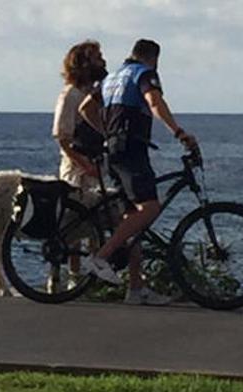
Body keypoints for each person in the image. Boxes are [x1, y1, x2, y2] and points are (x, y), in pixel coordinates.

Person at [79, 38, 197, 305]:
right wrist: (180, 133)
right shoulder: (144, 73)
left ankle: (135, 289)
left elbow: (85, 108)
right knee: (151, 208)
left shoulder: (112, 79)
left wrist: (107, 132)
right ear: (153, 58)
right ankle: (101, 257)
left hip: (113, 152)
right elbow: (154, 102)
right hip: (132, 150)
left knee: (133, 219)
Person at [52, 40, 108, 287]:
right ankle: (73, 278)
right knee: (72, 226)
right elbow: (63, 138)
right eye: (98, 57)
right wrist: (85, 165)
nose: (103, 62)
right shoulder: (70, 95)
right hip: (77, 170)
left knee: (97, 223)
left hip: (96, 167)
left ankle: (92, 275)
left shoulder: (91, 94)